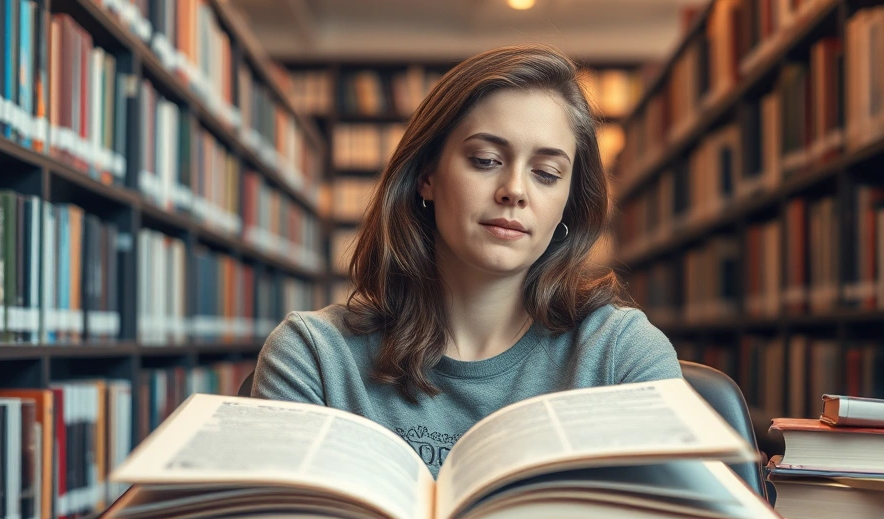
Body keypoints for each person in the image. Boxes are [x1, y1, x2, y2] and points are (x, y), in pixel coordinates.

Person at [252, 44, 681, 477]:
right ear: (426, 177)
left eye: (547, 174)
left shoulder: (620, 353)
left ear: (568, 204)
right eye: (485, 161)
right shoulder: (313, 357)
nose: (514, 190)